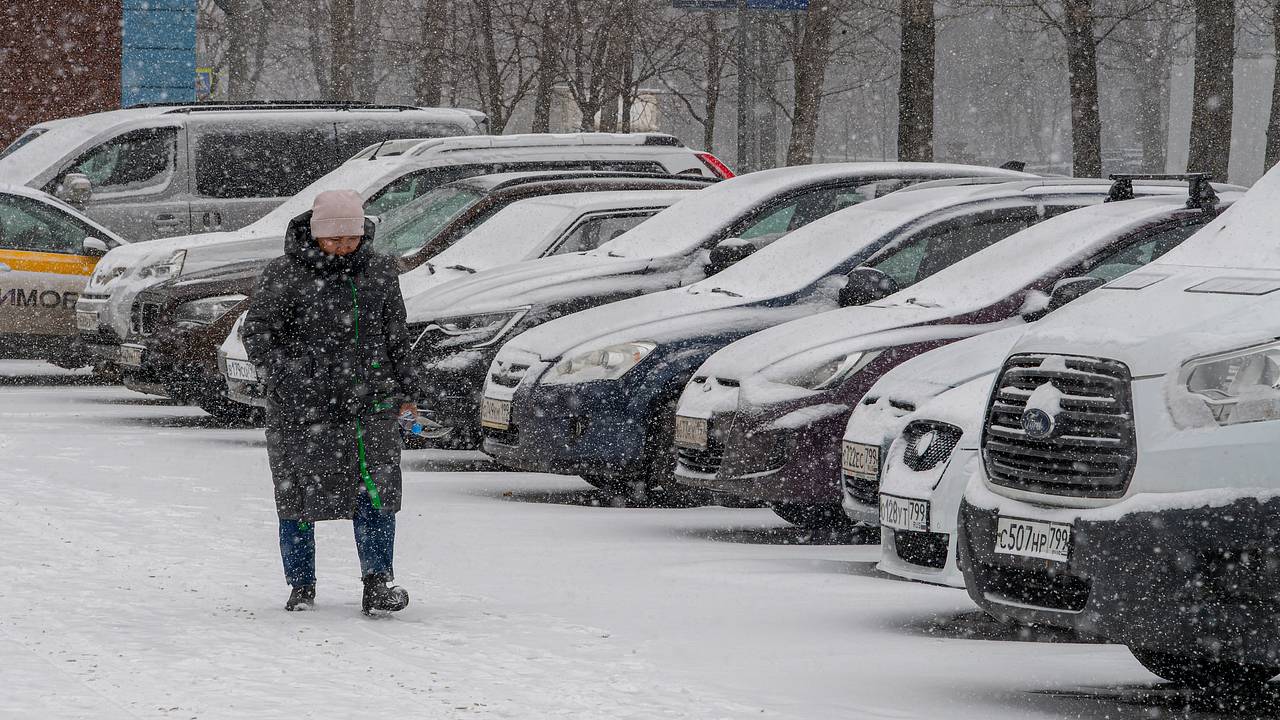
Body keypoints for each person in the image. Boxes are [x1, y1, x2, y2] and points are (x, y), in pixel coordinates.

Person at [243, 189, 420, 615]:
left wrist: (408, 392)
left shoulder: (379, 272)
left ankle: (378, 582)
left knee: (377, 494)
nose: (344, 247)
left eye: (351, 238)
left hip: (370, 404)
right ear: (316, 234)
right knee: (299, 496)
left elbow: (395, 335)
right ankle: (301, 585)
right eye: (334, 239)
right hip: (302, 410)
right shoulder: (283, 274)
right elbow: (258, 334)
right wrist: (292, 375)